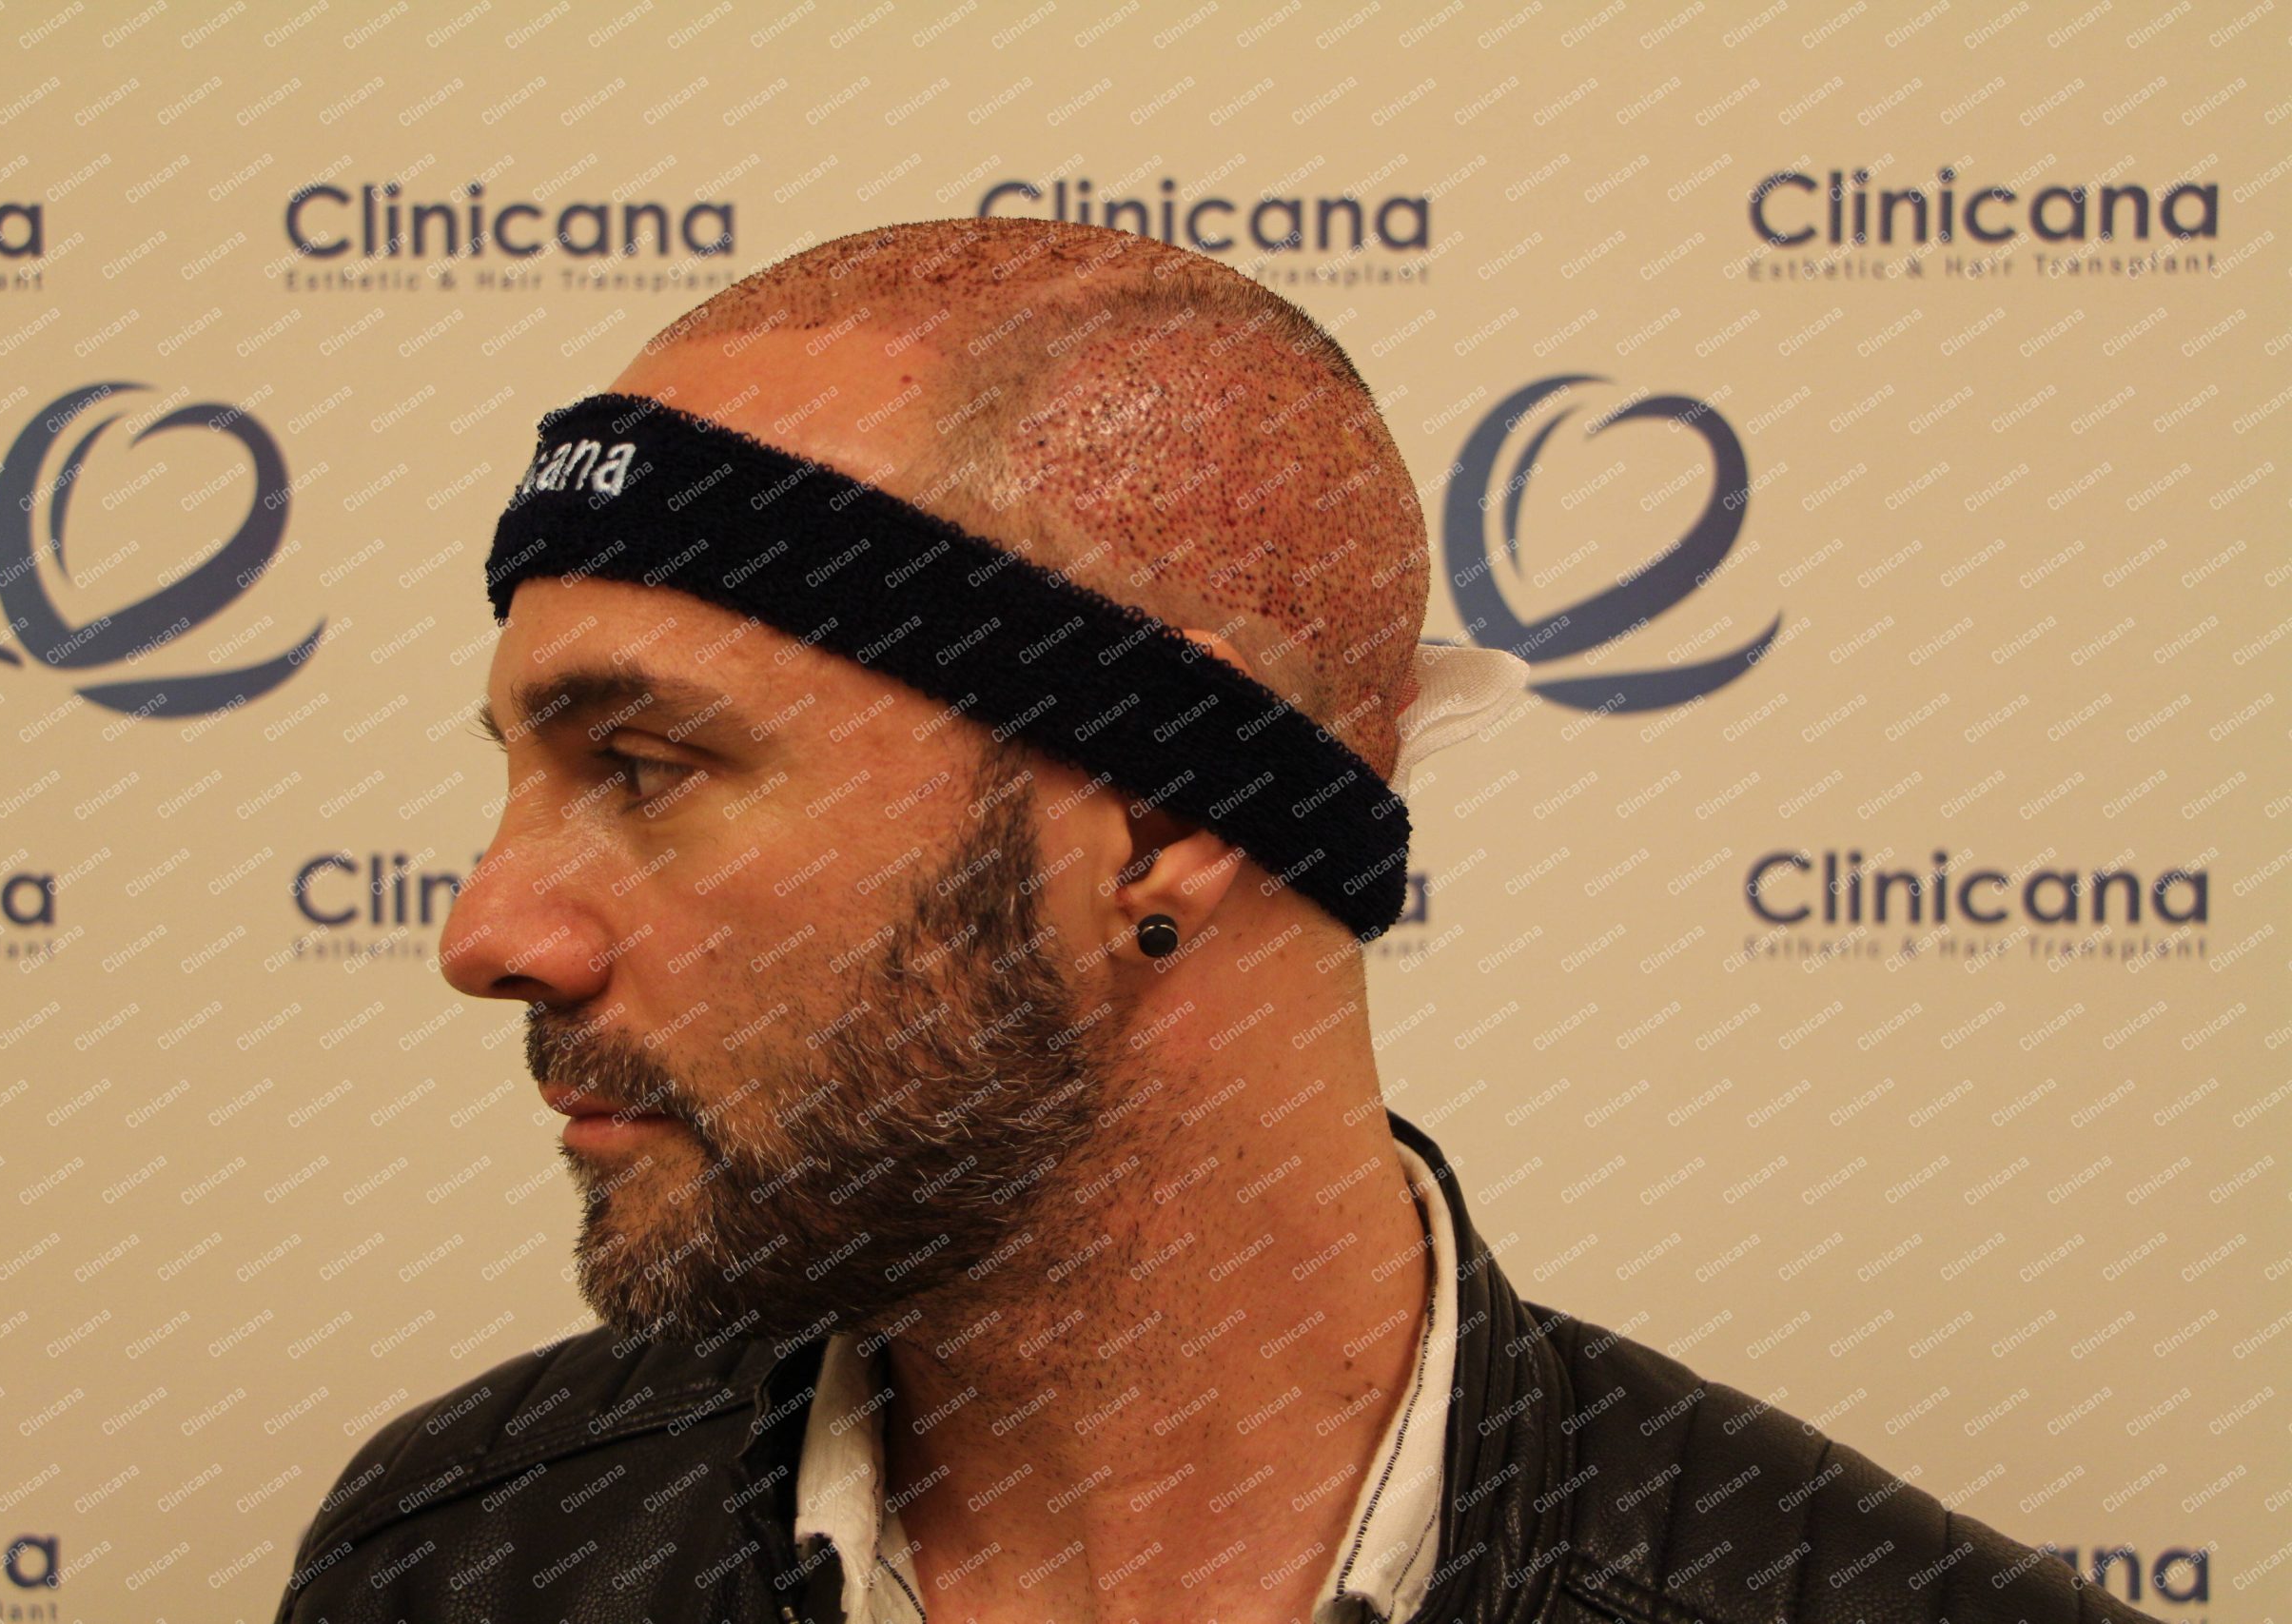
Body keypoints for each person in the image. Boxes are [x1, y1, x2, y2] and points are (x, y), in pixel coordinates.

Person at [275, 218, 2155, 1624]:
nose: (491, 928)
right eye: (519, 773)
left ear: (1162, 816)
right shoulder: (469, 1561)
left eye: (645, 765)